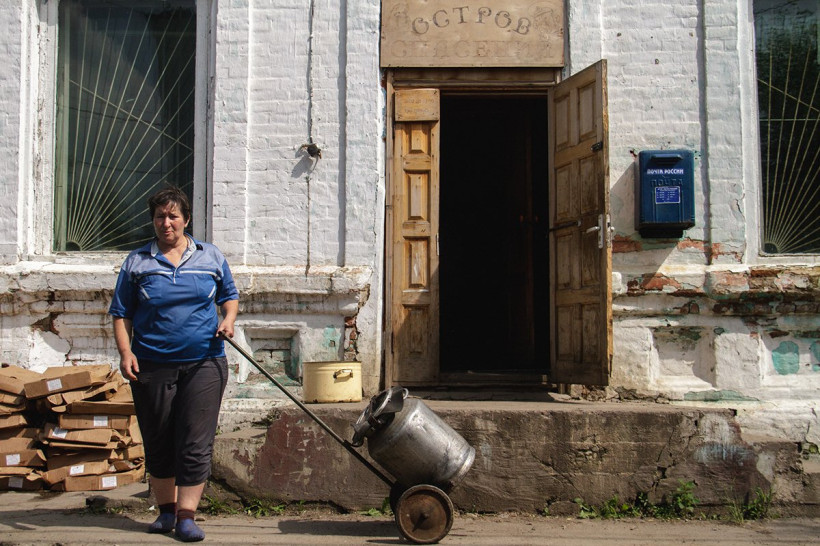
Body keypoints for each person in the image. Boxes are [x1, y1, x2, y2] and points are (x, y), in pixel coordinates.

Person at [109, 186, 239, 542]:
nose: (166, 223)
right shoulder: (137, 261)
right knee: (159, 438)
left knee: (195, 441)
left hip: (204, 364)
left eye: (173, 216)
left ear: (186, 219)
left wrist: (228, 320)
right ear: (153, 221)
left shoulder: (210, 256)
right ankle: (166, 512)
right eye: (159, 217)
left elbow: (229, 296)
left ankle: (186, 516)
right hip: (151, 366)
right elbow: (121, 312)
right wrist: (126, 352)